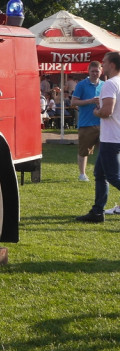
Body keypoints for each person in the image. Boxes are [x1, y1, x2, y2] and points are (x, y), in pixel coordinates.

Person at [77, 52, 120, 223]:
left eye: (104, 62)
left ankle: (97, 212)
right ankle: (97, 212)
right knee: (100, 174)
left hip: (112, 137)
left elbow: (106, 111)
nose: (102, 65)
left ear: (111, 65)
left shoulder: (109, 84)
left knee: (112, 176)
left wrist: (96, 111)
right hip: (113, 135)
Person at [71, 61, 104, 182]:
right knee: (84, 150)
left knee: (105, 150)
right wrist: (90, 101)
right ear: (88, 71)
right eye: (93, 71)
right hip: (86, 124)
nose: (95, 73)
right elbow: (73, 102)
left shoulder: (105, 85)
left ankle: (103, 171)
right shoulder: (81, 85)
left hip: (103, 123)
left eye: (97, 71)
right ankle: (82, 174)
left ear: (101, 71)